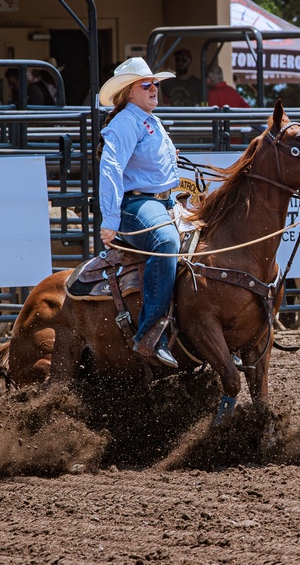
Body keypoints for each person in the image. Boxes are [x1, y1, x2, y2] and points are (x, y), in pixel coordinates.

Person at [98, 57, 181, 368]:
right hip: (136, 205)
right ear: (129, 93)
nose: (154, 88)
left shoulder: (149, 120)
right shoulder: (124, 124)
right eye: (146, 84)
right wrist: (110, 220)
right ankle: (150, 333)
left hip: (163, 201)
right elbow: (110, 170)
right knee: (167, 243)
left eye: (155, 83)